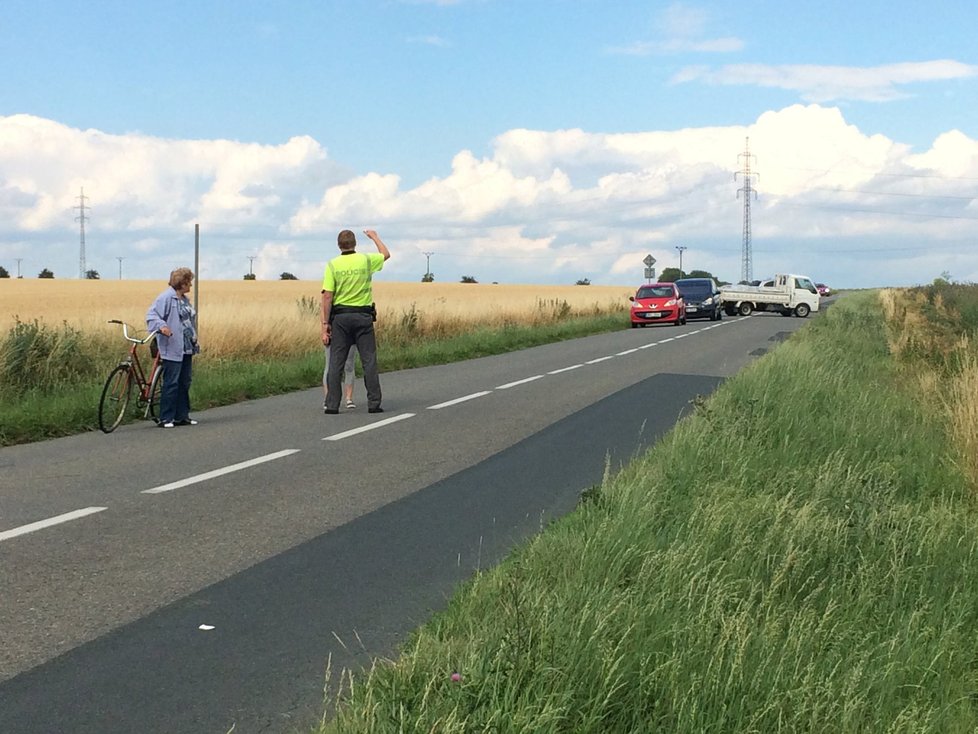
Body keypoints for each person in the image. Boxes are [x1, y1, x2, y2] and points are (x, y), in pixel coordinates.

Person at [321, 229, 390, 414]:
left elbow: (327, 296)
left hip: (341, 319)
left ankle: (332, 404)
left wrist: (325, 324)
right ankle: (374, 403)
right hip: (363, 317)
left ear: (338, 245)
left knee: (336, 363)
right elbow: (386, 254)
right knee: (369, 361)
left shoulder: (332, 265)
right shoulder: (366, 260)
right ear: (355, 244)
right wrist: (375, 236)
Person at [146, 267, 200, 428]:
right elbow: (152, 315)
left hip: (187, 346)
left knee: (184, 382)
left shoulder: (183, 299)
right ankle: (166, 418)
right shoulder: (166, 297)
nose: (191, 284)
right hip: (172, 346)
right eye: (189, 281)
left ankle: (182, 416)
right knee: (171, 382)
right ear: (182, 283)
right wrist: (162, 326)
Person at [323, 343, 358, 412]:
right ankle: (328, 398)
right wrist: (324, 333)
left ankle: (349, 398)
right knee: (329, 366)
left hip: (349, 335)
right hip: (331, 337)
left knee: (349, 366)